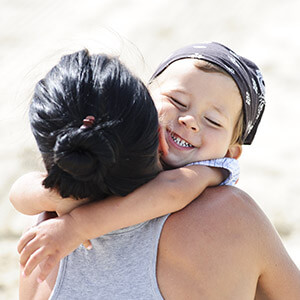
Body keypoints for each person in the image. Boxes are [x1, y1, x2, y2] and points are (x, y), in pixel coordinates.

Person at [11, 42, 300, 299]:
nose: (190, 120)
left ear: (230, 152)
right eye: (177, 102)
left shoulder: (211, 171)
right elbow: (21, 191)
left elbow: (172, 191)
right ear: (145, 102)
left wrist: (76, 221)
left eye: (212, 120)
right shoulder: (232, 218)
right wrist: (56, 196)